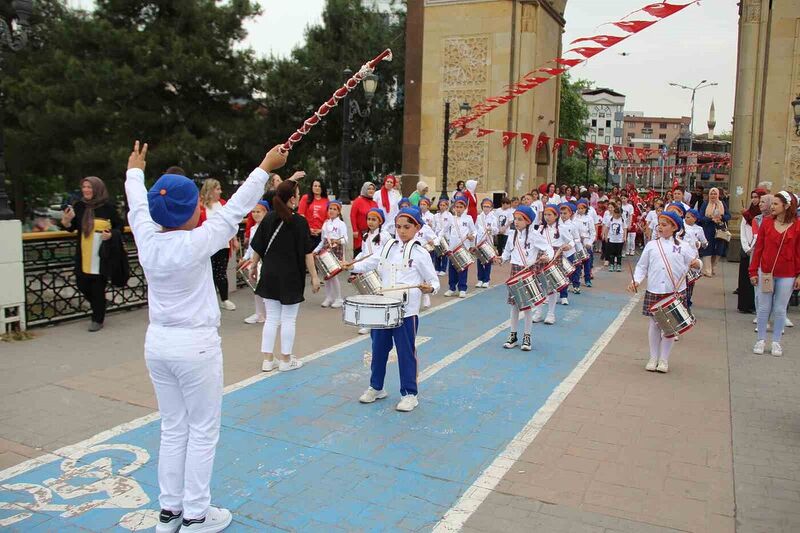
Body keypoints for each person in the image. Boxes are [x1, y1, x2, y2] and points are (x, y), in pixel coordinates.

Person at [125, 141, 288, 533]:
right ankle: (197, 515)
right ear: (193, 209)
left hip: (158, 344)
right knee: (201, 431)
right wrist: (265, 166)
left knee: (173, 427)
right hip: (195, 347)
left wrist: (134, 173)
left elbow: (137, 206)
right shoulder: (196, 241)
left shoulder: (148, 239)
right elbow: (237, 208)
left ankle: (170, 513)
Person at [344, 207, 439, 412]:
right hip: (383, 308)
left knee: (406, 353)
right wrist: (351, 265)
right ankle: (376, 387)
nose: (402, 231)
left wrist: (430, 288)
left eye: (407, 227)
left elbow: (434, 280)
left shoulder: (420, 253)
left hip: (406, 312)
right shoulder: (388, 246)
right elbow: (371, 262)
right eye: (398, 227)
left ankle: (410, 394)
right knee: (378, 350)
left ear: (417, 228)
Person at [250, 180, 321, 373]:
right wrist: (314, 276)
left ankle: (267, 360)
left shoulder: (268, 218)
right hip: (291, 275)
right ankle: (286, 360)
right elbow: (308, 252)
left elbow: (258, 245)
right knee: (289, 319)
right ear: (292, 199)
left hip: (270, 273)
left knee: (272, 318)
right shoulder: (299, 222)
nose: (299, 197)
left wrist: (253, 265)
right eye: (297, 194)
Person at [629, 211, 701, 373]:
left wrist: (698, 264)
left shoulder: (683, 246)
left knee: (669, 327)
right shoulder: (651, 245)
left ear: (674, 227)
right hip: (655, 289)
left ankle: (664, 360)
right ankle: (653, 357)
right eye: (659, 224)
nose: (660, 227)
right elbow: (642, 267)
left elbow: (696, 262)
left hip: (674, 291)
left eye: (664, 224)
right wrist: (636, 281)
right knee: (654, 324)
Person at [60, 175, 124, 332]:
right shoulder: (80, 206)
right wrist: (66, 221)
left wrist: (111, 234)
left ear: (97, 189)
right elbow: (72, 227)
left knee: (97, 286)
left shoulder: (108, 207)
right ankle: (100, 303)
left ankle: (97, 319)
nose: (86, 190)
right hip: (83, 253)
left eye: (90, 187)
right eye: (84, 187)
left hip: (101, 254)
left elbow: (119, 227)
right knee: (81, 283)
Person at [749, 191, 800, 357]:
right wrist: (753, 270)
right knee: (764, 308)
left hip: (788, 273)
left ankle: (776, 341)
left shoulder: (797, 225)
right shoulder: (766, 223)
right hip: (765, 271)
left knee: (780, 309)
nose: (772, 206)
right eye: (772, 203)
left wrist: (799, 275)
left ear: (786, 206)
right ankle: (760, 339)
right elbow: (759, 248)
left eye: (776, 204)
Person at [496, 205, 553, 351]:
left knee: (527, 307)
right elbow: (507, 252)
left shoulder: (535, 235)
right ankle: (513, 335)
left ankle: (527, 337)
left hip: (528, 271)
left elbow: (548, 248)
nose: (516, 221)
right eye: (515, 219)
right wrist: (501, 259)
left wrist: (548, 256)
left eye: (520, 219)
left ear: (528, 221)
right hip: (515, 271)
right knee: (514, 306)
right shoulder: (512, 234)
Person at [199, 178, 239, 311]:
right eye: (217, 189)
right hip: (207, 245)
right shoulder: (201, 206)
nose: (220, 191)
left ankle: (224, 299)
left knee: (221, 272)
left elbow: (230, 222)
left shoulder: (223, 204)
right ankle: (207, 300)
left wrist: (233, 238)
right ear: (210, 190)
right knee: (207, 273)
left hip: (222, 244)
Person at [351, 207, 392, 334]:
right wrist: (354, 262)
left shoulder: (385, 235)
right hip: (368, 269)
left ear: (380, 221)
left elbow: (389, 252)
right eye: (369, 219)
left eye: (374, 219)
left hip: (381, 270)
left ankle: (382, 319)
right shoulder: (365, 235)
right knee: (367, 297)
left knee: (381, 296)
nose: (370, 222)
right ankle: (369, 322)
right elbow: (363, 253)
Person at [536, 205, 572, 324]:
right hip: (542, 257)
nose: (547, 217)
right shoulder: (540, 228)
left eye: (549, 215)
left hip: (555, 258)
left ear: (556, 216)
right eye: (545, 214)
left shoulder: (562, 228)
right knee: (539, 285)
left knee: (552, 287)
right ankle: (538, 312)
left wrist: (568, 246)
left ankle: (551, 314)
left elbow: (571, 240)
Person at [313, 200, 348, 308]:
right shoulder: (325, 224)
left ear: (339, 212)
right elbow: (322, 241)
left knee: (334, 275)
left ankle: (338, 298)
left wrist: (338, 241)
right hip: (325, 250)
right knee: (326, 276)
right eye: (330, 209)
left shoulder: (341, 224)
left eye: (334, 209)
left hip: (336, 251)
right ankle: (329, 297)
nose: (332, 211)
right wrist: (315, 250)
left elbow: (346, 240)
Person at [738, 189, 768, 314]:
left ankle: (755, 306)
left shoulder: (766, 217)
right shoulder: (748, 214)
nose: (755, 200)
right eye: (753, 197)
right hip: (747, 250)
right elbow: (743, 231)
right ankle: (744, 305)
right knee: (745, 278)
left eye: (757, 197)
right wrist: (747, 248)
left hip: (759, 251)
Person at [241, 201, 270, 325]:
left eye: (258, 211)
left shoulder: (268, 227)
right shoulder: (253, 228)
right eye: (253, 212)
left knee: (267, 290)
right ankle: (260, 314)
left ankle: (271, 314)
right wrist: (245, 257)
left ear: (265, 212)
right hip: (254, 262)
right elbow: (252, 247)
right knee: (256, 289)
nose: (255, 214)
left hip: (265, 261)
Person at [442, 195, 476, 297]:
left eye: (461, 207)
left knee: (463, 268)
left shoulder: (469, 218)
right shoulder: (451, 219)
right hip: (452, 247)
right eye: (457, 207)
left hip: (463, 247)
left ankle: (462, 288)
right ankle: (451, 288)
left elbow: (474, 231)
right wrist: (448, 239)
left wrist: (472, 237)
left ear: (465, 208)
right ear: (454, 208)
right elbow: (444, 230)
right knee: (452, 269)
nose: (459, 209)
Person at [698, 187, 731, 277]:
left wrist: (722, 217)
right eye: (711, 194)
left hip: (720, 229)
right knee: (708, 249)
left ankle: (713, 267)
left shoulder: (722, 204)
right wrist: (710, 218)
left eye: (715, 194)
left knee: (718, 250)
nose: (713, 196)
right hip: (708, 229)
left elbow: (728, 216)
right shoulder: (705, 204)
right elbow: (700, 217)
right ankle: (707, 270)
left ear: (718, 195)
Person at [680, 209, 707, 309]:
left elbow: (705, 243)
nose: (686, 219)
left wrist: (699, 244)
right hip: (681, 258)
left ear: (695, 219)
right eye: (685, 217)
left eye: (688, 217)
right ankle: (682, 302)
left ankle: (687, 301)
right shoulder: (681, 227)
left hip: (693, 259)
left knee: (690, 282)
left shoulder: (698, 229)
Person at [297, 179, 329, 251]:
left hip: (321, 234)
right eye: (315, 186)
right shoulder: (305, 198)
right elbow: (301, 215)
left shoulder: (326, 200)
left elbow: (328, 219)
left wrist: (321, 230)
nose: (317, 188)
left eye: (319, 186)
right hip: (307, 233)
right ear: (312, 187)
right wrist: (308, 229)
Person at [475, 198, 499, 288]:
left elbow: (496, 230)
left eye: (488, 207)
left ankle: (486, 280)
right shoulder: (479, 217)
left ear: (491, 208)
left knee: (488, 261)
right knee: (480, 261)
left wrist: (491, 229)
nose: (486, 208)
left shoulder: (493, 218)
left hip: (488, 241)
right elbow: (475, 229)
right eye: (484, 206)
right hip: (480, 241)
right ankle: (480, 279)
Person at [350, 181, 377, 256]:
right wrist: (355, 230)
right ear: (365, 189)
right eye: (369, 189)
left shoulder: (374, 203)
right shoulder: (358, 201)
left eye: (372, 189)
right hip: (360, 233)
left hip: (371, 232)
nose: (371, 191)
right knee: (359, 252)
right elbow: (353, 215)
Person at [574, 200, 597, 288]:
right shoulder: (574, 217)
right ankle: (576, 279)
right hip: (576, 242)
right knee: (577, 262)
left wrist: (590, 242)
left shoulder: (589, 218)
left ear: (586, 208)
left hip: (586, 241)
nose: (580, 210)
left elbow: (592, 232)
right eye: (579, 208)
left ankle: (587, 279)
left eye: (582, 208)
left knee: (587, 261)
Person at [433, 197, 453, 276]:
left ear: (447, 206)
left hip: (445, 236)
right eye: (440, 205)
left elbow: (448, 226)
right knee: (437, 253)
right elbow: (434, 226)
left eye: (444, 205)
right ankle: (437, 268)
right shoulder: (436, 215)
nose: (442, 207)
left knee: (444, 253)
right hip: (437, 236)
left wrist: (442, 233)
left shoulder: (449, 215)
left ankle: (443, 269)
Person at [604, 206, 625, 272]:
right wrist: (606, 236)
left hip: (619, 239)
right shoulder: (611, 219)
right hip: (612, 239)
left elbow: (625, 229)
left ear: (621, 214)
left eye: (618, 214)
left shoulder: (622, 220)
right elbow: (607, 228)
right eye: (615, 213)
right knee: (612, 253)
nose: (616, 215)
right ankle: (611, 264)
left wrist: (624, 237)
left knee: (619, 253)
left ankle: (619, 265)